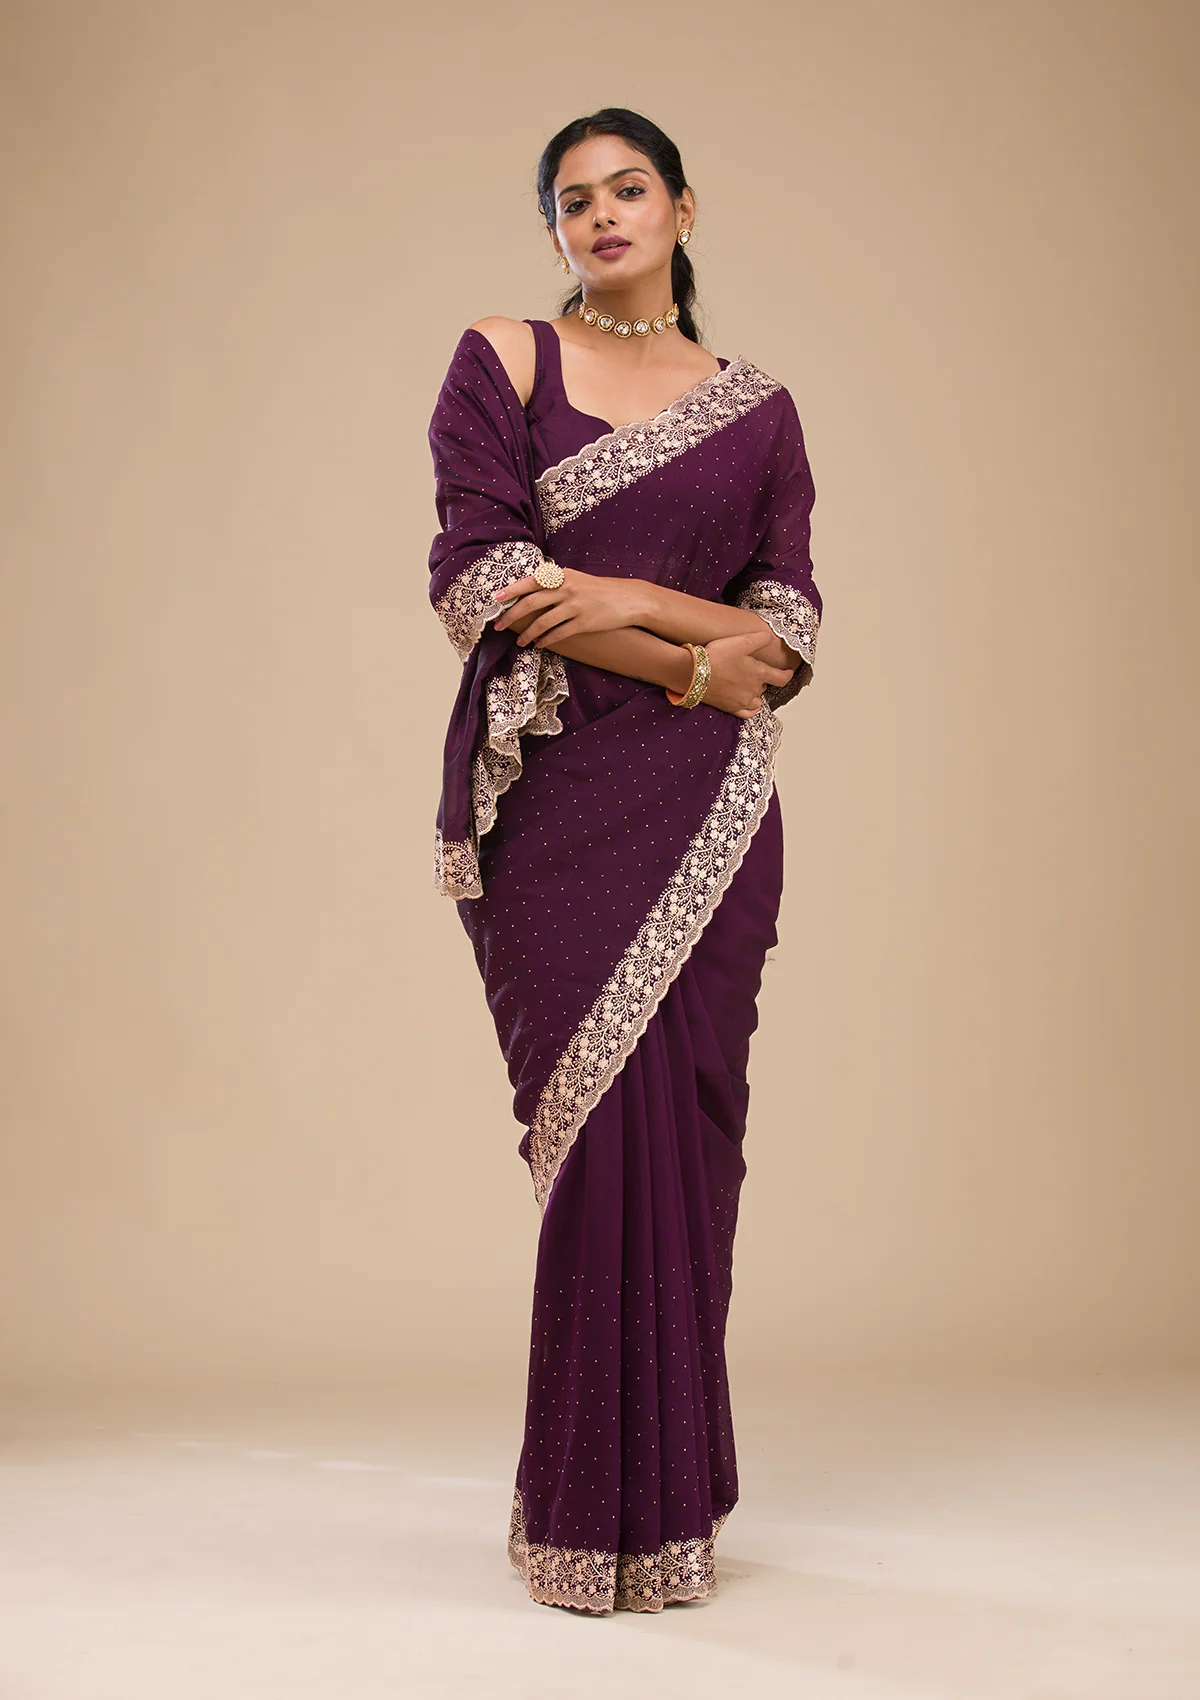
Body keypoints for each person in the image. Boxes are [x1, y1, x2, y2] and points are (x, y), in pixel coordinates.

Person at [426, 107, 822, 1614]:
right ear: (554, 230)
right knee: (597, 1151)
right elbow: (481, 581)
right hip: (551, 802)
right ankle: (584, 1516)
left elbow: (787, 640)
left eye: (629, 189)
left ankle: (669, 1520)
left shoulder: (760, 412)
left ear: (682, 208)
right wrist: (694, 653)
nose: (602, 216)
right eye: (573, 200)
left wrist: (615, 596)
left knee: (692, 1154)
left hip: (710, 817)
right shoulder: (505, 360)